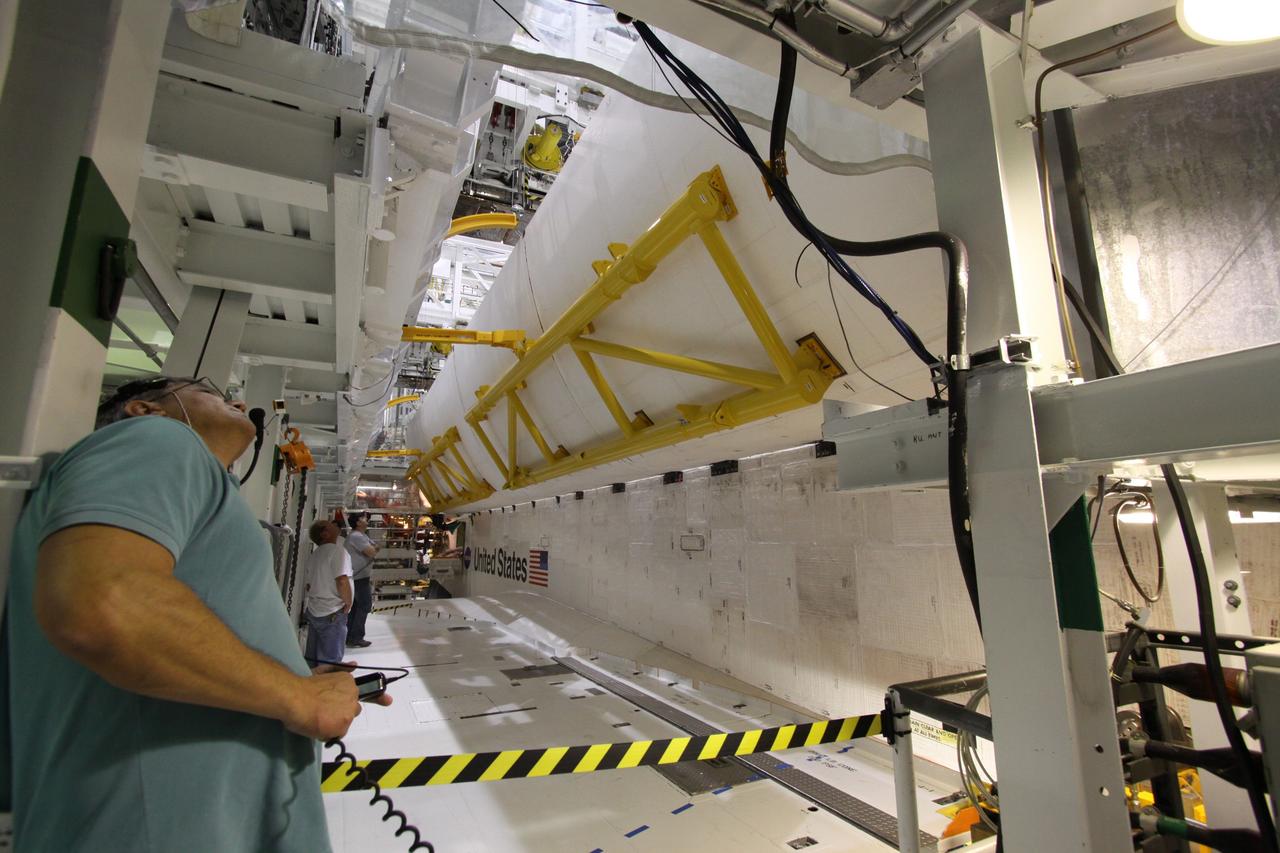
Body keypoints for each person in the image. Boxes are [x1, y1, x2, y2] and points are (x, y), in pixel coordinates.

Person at [4, 375, 389, 851]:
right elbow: (107, 601)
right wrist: (297, 695)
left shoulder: (194, 492)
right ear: (145, 410)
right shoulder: (159, 440)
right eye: (208, 391)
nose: (239, 400)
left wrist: (295, 674)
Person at [303, 519, 352, 663]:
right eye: (331, 525)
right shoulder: (337, 551)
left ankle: (312, 682)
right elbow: (342, 580)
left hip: (315, 610)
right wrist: (348, 602)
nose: (335, 524)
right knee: (331, 660)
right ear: (325, 534)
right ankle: (328, 684)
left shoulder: (315, 555)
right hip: (332, 612)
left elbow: (308, 586)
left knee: (312, 658)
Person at [343, 512, 378, 648]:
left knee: (357, 607)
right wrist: (373, 550)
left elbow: (376, 548)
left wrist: (373, 549)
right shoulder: (356, 536)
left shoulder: (362, 536)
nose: (367, 519)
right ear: (358, 522)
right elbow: (372, 552)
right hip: (358, 577)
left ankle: (350, 636)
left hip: (360, 576)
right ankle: (356, 637)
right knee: (364, 605)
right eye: (363, 518)